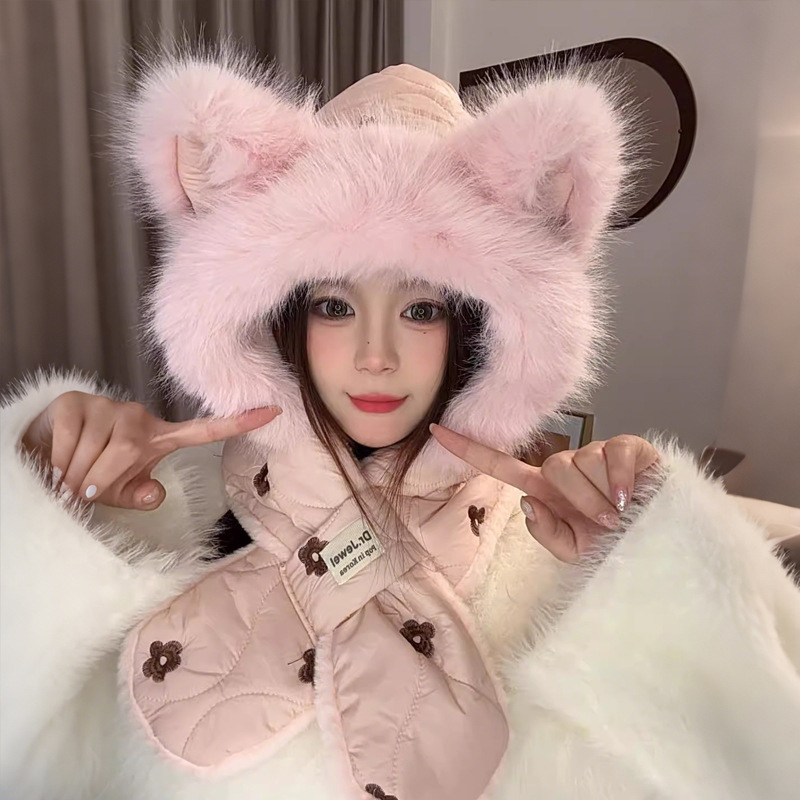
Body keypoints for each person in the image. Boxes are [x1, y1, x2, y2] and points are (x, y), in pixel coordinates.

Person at [1, 55, 798, 800]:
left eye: (421, 309)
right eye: (334, 305)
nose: (375, 356)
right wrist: (48, 494)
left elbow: (754, 762)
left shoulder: (554, 552)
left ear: (476, 329)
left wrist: (655, 560)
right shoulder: (164, 520)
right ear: (278, 318)